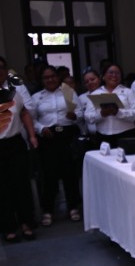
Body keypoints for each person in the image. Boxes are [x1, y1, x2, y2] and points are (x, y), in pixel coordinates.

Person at [28, 65, 83, 225]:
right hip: (48, 137)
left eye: (52, 76)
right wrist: (41, 129)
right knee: (49, 174)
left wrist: (74, 116)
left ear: (58, 77)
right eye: (46, 77)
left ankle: (73, 207)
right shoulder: (36, 97)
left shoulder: (68, 92)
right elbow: (31, 119)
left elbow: (80, 113)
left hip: (67, 135)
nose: (50, 79)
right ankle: (48, 210)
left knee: (69, 173)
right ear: (42, 80)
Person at [0, 56, 38, 242]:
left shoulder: (15, 90)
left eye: (1, 67)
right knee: (2, 188)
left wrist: (32, 135)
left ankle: (26, 223)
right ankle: (8, 227)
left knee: (21, 184)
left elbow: (24, 114)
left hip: (15, 143)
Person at [83, 63, 135, 147]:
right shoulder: (95, 94)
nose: (114, 75)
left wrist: (118, 113)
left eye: (117, 73)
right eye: (111, 72)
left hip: (126, 134)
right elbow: (88, 117)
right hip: (102, 136)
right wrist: (101, 114)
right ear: (103, 76)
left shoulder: (128, 92)